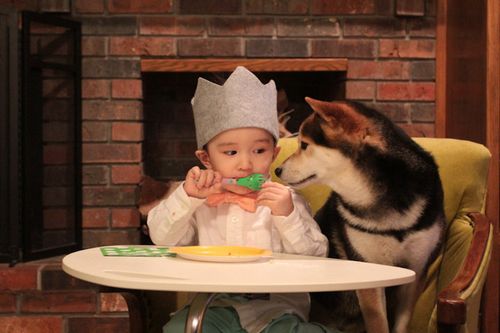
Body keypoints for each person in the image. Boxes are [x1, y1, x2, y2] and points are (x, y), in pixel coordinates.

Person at [147, 66, 335, 333]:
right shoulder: (197, 203)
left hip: (278, 313)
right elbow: (162, 238)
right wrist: (186, 198)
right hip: (211, 308)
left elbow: (316, 258)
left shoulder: (288, 201)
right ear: (206, 159)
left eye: (259, 150)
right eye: (231, 152)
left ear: (274, 153)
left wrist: (287, 216)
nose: (246, 164)